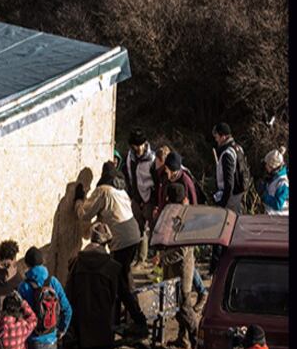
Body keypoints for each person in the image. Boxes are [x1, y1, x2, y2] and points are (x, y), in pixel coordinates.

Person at [66, 222, 148, 349]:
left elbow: (68, 295)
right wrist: (139, 319)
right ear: (106, 244)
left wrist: (69, 326)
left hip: (82, 328)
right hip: (104, 328)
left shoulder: (76, 265)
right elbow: (127, 296)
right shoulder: (113, 267)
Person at [74, 161, 142, 324]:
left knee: (118, 282)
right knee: (124, 276)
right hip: (134, 236)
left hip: (121, 240)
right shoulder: (121, 190)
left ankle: (137, 320)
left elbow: (84, 214)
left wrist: (79, 199)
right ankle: (128, 317)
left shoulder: (103, 190)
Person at [154, 151, 208, 311]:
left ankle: (200, 292)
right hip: (169, 222)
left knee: (186, 263)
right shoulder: (166, 177)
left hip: (182, 226)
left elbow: (193, 207)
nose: (166, 173)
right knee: (185, 264)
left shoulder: (186, 181)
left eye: (168, 170)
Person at [160, 184, 198, 349]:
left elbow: (181, 250)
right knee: (180, 307)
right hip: (179, 270)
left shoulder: (183, 219)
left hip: (181, 271)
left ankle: (196, 340)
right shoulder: (184, 214)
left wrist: (162, 258)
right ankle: (183, 339)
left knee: (184, 310)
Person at [122, 129, 156, 266]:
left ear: (143, 144)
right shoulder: (130, 157)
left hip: (149, 197)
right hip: (136, 197)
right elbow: (129, 177)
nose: (136, 149)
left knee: (154, 229)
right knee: (138, 229)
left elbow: (156, 180)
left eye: (137, 146)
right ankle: (141, 259)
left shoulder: (151, 159)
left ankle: (157, 260)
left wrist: (152, 200)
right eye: (133, 146)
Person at [212, 122, 246, 214]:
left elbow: (229, 182)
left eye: (217, 137)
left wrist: (223, 202)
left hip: (231, 198)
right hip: (239, 194)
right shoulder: (238, 148)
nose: (216, 140)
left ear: (223, 137)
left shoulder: (227, 154)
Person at [257, 147, 289, 216]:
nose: (265, 167)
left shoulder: (283, 182)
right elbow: (272, 191)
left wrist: (264, 196)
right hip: (271, 216)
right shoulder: (274, 177)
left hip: (279, 219)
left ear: (273, 167)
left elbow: (278, 204)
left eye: (267, 165)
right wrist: (265, 186)